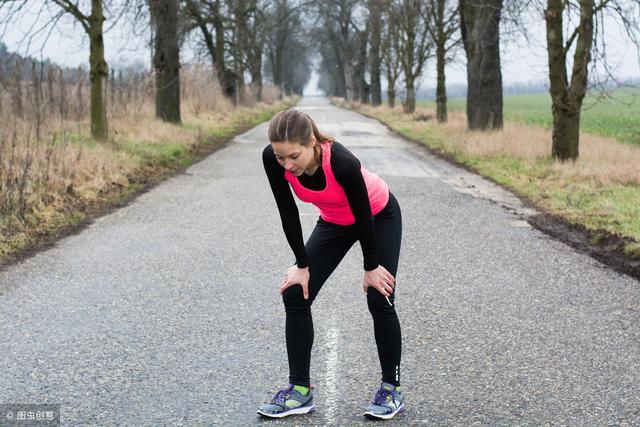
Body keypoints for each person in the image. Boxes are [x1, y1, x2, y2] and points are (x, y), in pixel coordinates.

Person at [257, 109, 404, 420]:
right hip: (335, 221)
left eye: (294, 156)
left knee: (380, 295)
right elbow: (288, 212)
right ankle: (299, 392)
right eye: (281, 157)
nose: (288, 165)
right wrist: (301, 264)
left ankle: (391, 390)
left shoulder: (342, 163)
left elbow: (363, 215)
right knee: (296, 293)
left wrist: (371, 266)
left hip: (377, 216)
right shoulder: (273, 159)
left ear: (312, 142)